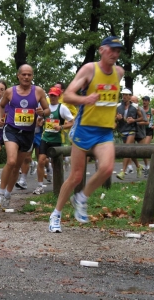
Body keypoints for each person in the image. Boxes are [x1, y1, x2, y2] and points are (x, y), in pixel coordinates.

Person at [48, 36, 124, 233]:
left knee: (107, 169)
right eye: (111, 50)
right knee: (76, 176)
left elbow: (109, 99)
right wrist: (86, 98)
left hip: (105, 131)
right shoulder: (90, 69)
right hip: (84, 129)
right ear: (101, 50)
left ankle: (81, 198)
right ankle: (56, 214)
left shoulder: (119, 73)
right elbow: (68, 96)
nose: (115, 54)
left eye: (118, 51)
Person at [0, 64, 50, 208]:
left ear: (32, 76)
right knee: (11, 161)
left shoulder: (38, 91)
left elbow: (48, 110)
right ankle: (0, 194)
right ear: (18, 76)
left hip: (28, 133)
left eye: (29, 75)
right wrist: (0, 118)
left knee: (17, 165)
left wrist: (43, 113)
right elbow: (1, 106)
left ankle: (7, 194)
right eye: (23, 74)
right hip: (12, 130)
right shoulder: (10, 92)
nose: (26, 77)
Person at [33, 86, 74, 195]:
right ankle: (40, 186)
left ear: (59, 96)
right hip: (45, 137)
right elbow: (39, 120)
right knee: (41, 160)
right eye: (51, 95)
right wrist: (40, 121)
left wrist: (61, 127)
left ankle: (59, 186)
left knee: (56, 163)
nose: (52, 97)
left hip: (57, 139)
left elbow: (72, 122)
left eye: (55, 95)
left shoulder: (62, 108)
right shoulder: (45, 107)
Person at [115, 89, 144, 180]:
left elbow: (141, 117)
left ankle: (123, 172)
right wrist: (117, 118)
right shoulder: (118, 106)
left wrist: (134, 120)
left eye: (126, 95)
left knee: (126, 148)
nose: (124, 96)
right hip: (123, 130)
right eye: (123, 94)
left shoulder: (135, 106)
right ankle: (138, 166)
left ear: (130, 96)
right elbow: (114, 118)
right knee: (130, 151)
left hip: (132, 130)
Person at [141, 96, 154, 175]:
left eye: (146, 100)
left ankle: (148, 167)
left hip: (149, 130)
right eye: (143, 100)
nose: (144, 102)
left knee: (145, 147)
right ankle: (147, 166)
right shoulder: (140, 110)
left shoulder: (152, 110)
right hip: (142, 130)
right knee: (142, 150)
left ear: (149, 102)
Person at [130, 95, 149, 176]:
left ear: (137, 102)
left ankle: (147, 166)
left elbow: (146, 122)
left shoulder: (141, 110)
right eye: (131, 101)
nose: (132, 103)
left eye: (134, 101)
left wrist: (136, 122)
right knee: (130, 150)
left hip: (140, 132)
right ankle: (137, 166)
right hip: (131, 132)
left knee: (143, 151)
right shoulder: (128, 109)